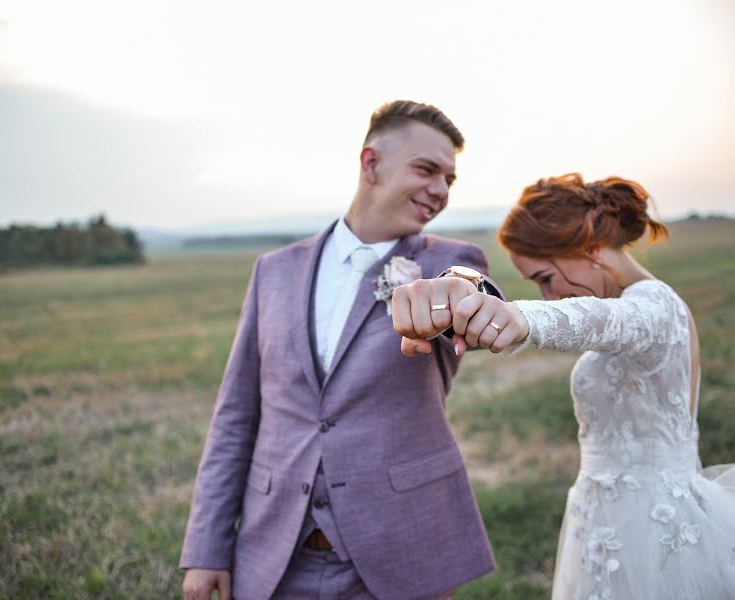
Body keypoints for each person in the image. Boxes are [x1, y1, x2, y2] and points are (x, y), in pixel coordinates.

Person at [392, 173, 735, 599]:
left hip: (657, 531)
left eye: (546, 277)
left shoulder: (657, 306)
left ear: (590, 249)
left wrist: (524, 319)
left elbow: (600, 322)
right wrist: (461, 312)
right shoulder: (626, 307)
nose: (548, 296)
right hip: (602, 520)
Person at [180, 100, 499, 600]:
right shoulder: (274, 271)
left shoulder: (445, 260)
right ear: (371, 163)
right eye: (426, 169)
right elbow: (236, 415)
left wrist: (462, 289)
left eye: (449, 180)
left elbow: (471, 285)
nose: (439, 190)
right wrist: (206, 548)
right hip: (274, 558)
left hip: (400, 557)